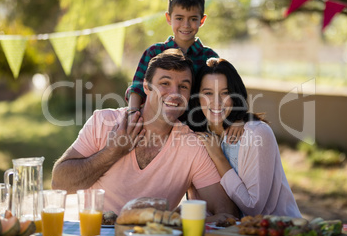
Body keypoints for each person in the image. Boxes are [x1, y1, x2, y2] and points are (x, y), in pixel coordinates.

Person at [51, 49, 239, 221]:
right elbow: (59, 183)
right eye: (164, 83)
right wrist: (112, 152)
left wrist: (180, 222)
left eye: (183, 86)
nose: (175, 93)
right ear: (146, 87)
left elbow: (226, 212)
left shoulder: (192, 146)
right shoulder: (104, 122)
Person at [187, 58, 302, 218]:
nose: (217, 102)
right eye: (208, 93)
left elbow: (253, 207)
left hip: (278, 233)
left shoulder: (256, 133)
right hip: (225, 234)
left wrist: (219, 157)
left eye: (225, 93)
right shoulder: (198, 137)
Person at [127, 0, 243, 143]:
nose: (186, 25)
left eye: (193, 19)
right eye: (179, 18)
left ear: (202, 20)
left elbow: (224, 92)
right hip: (156, 127)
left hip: (195, 131)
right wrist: (132, 113)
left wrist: (238, 119)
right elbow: (138, 87)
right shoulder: (154, 52)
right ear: (169, 18)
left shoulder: (209, 57)